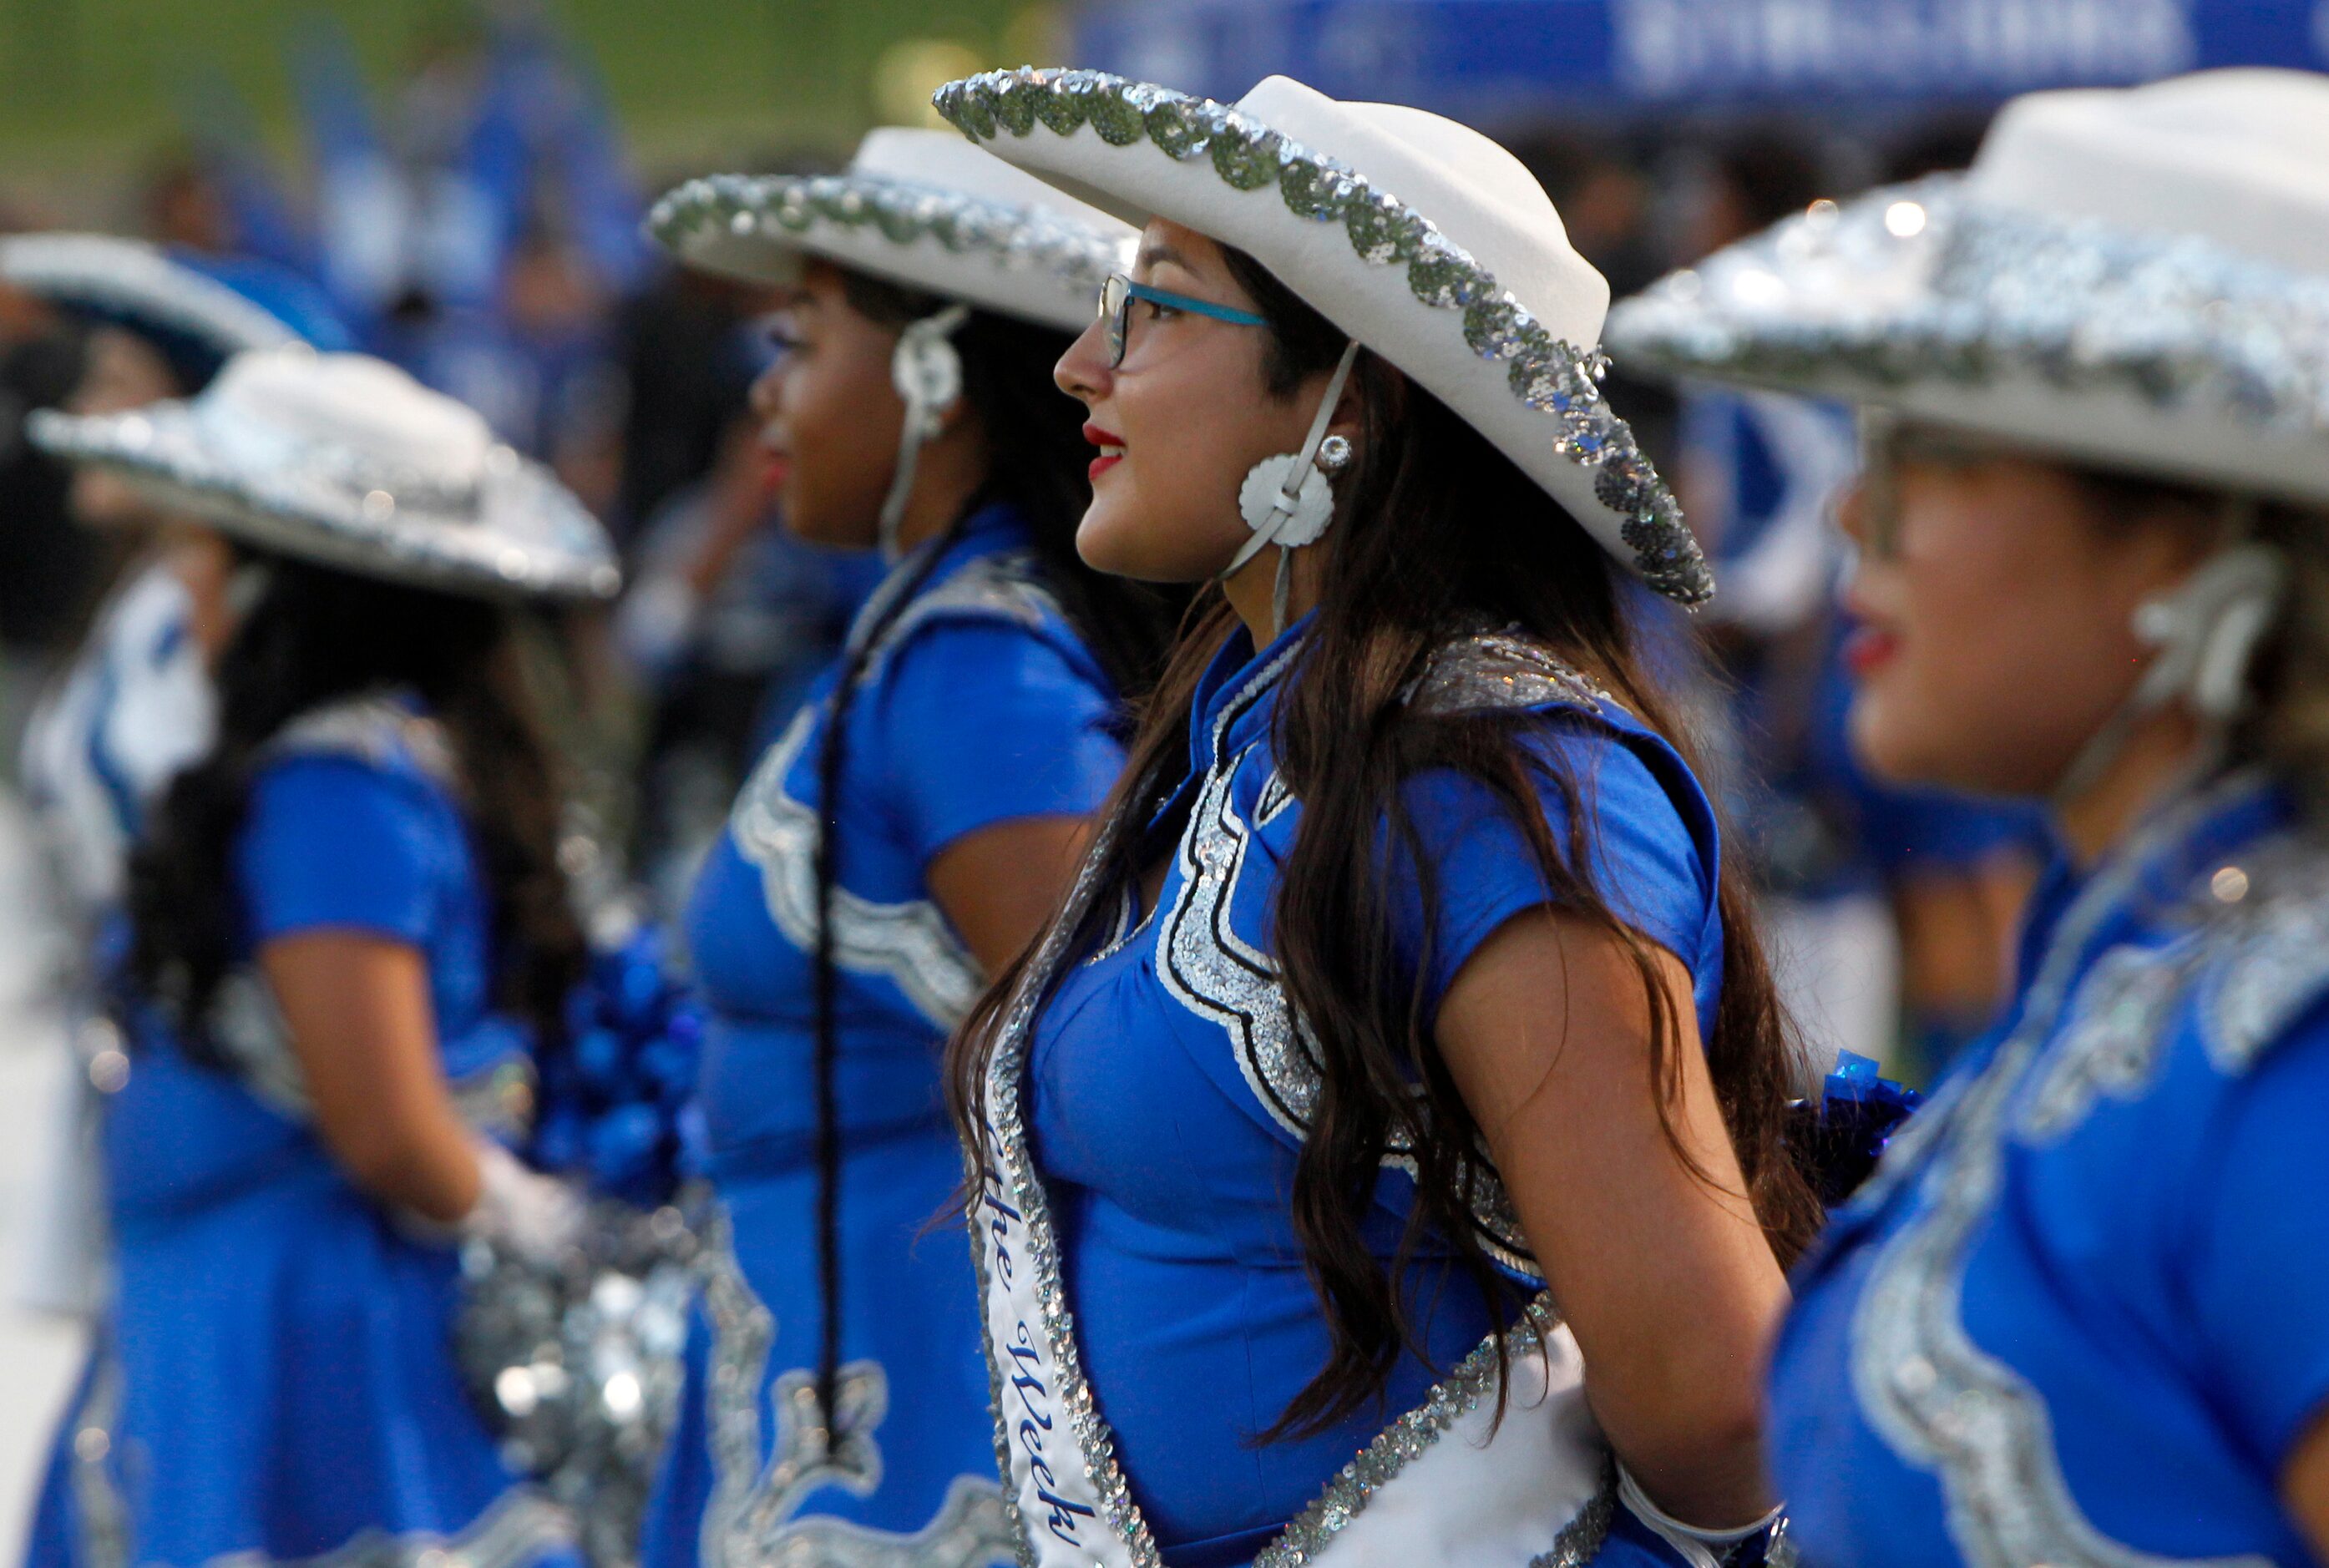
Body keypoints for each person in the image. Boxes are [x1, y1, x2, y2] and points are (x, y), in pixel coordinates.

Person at [932, 68, 1821, 1566]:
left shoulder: (1494, 777)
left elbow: (1712, 1391)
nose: (1081, 363)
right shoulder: (1250, 726)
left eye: (1151, 305)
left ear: (1353, 395)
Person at [1607, 68, 2329, 1565]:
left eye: (1933, 452)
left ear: (2199, 534)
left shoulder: (2296, 1060)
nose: (1855, 517)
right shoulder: (2137, 950)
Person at [639, 129, 1177, 1565]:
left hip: (923, 1428)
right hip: (844, 1373)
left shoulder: (976, 668)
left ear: (932, 374)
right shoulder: (915, 634)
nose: (766, 393)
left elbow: (1118, 1075)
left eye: (797, 344)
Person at [21, 345, 623, 1568]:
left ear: (275, 587)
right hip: (236, 1303)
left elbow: (380, 1119)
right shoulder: (331, 767)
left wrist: (545, 1225)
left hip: (308, 1339)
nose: (179, 592)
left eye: (202, 556)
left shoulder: (330, 784)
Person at [2, 235, 349, 1318]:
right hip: (119, 1075)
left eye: (116, 383)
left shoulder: (232, 638)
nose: (82, 414)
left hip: (238, 1123)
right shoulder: (140, 610)